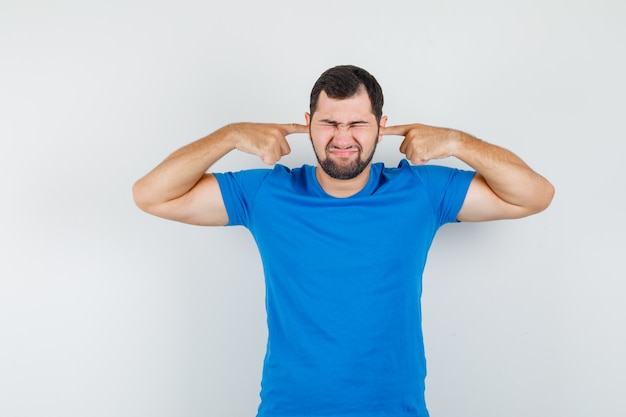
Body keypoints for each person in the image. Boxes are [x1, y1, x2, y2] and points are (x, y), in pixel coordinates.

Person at [133, 65, 554, 417]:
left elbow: (535, 195)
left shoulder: (419, 191)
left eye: (357, 123)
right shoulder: (268, 194)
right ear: (308, 125)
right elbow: (151, 195)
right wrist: (228, 135)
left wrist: (458, 142)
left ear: (381, 127)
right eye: (330, 123)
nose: (342, 137)